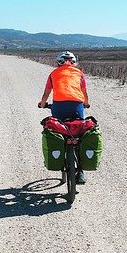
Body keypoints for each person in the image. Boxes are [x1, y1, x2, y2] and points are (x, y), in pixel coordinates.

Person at [38, 51, 90, 184]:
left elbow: (46, 93)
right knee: (78, 134)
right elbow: (84, 93)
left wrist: (42, 104)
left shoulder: (53, 74)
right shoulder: (79, 74)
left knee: (58, 131)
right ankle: (81, 171)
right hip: (77, 107)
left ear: (58, 62)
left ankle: (59, 158)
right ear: (74, 62)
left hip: (58, 107)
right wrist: (86, 103)